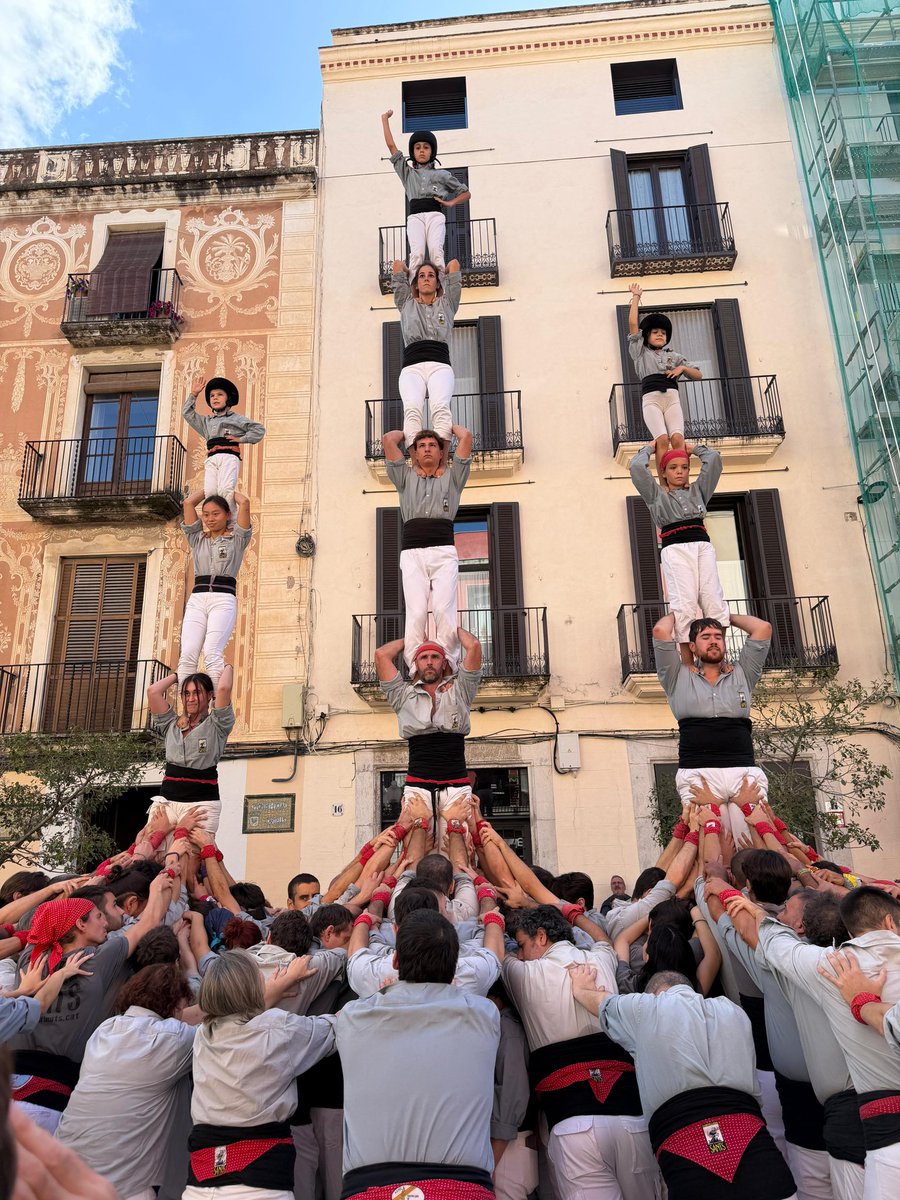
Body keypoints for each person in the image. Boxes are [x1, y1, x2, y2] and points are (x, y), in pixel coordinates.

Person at [573, 966, 797, 1200]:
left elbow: (600, 1002)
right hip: (757, 1148)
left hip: (686, 1158)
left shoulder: (646, 1009)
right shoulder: (733, 1011)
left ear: (654, 995)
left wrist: (581, 988)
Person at [337, 908, 500, 1200]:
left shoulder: (352, 1018)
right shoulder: (484, 1014)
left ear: (396, 961)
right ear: (453, 969)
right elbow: (493, 958)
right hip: (463, 1189)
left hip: (369, 1189)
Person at [501, 903, 659, 1200]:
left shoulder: (523, 974)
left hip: (573, 1125)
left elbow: (496, 954)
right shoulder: (601, 959)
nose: (519, 953)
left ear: (541, 936)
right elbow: (603, 939)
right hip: (633, 1119)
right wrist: (573, 913)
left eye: (522, 945)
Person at [10, 873, 175, 1133]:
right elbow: (151, 920)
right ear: (80, 924)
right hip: (48, 1103)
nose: (106, 924)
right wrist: (158, 886)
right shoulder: (99, 959)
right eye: (98, 917)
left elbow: (45, 918)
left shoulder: (30, 959)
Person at [184, 950, 337, 1200]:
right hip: (260, 1184)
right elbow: (333, 1030)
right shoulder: (278, 1029)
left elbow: (233, 1014)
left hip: (199, 1183)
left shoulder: (203, 1036)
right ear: (252, 987)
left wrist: (276, 990)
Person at [56, 963, 198, 1200]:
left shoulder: (104, 1030)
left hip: (64, 1170)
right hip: (121, 1185)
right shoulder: (173, 1039)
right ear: (175, 1004)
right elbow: (222, 1019)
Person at [654, 610, 774, 817]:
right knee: (709, 839)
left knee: (756, 838)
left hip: (743, 772)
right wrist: (682, 611)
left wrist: (723, 614)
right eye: (705, 637)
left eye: (718, 637)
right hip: (697, 774)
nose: (713, 641)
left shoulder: (743, 672)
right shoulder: (676, 676)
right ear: (692, 646)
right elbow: (660, 631)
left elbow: (762, 628)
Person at [631, 436, 729, 663]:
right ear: (663, 472)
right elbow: (637, 467)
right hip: (675, 548)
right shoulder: (656, 497)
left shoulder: (699, 491)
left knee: (713, 599)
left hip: (702, 546)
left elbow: (713, 459)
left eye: (684, 467)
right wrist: (650, 448)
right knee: (684, 603)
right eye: (673, 468)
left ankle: (720, 659)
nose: (680, 472)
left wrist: (692, 449)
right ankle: (687, 660)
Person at [384, 423, 472, 672]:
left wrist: (445, 429)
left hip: (443, 551)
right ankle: (414, 664)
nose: (427, 449)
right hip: (412, 553)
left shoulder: (453, 477)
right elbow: (389, 440)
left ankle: (450, 662)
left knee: (445, 609)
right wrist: (409, 434)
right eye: (421, 446)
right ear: (414, 452)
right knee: (416, 611)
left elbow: (466, 437)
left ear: (442, 451)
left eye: (433, 445)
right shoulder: (405, 477)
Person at [375, 629, 482, 833]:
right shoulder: (401, 695)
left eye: (435, 657)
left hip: (457, 782)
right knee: (417, 849)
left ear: (444, 662)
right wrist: (411, 639)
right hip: (417, 783)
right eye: (424, 657)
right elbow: (381, 655)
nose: (430, 661)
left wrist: (451, 630)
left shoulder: (461, 690)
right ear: (417, 663)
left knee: (460, 847)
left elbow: (474, 647)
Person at [381, 111, 471, 278]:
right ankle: (415, 293)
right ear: (413, 152)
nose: (421, 151)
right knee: (417, 255)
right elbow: (391, 146)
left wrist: (451, 203)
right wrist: (384, 120)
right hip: (415, 216)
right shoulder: (407, 173)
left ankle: (441, 290)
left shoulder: (442, 175)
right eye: (417, 147)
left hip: (435, 215)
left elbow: (466, 193)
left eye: (426, 147)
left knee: (437, 251)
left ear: (432, 151)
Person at [176, 488, 251, 686]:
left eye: (216, 514)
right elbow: (188, 504)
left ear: (228, 515)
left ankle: (218, 704)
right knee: (188, 655)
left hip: (222, 599)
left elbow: (244, 503)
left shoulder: (237, 540)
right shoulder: (197, 539)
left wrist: (226, 490)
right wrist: (207, 489)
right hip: (197, 599)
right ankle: (188, 709)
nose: (209, 519)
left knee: (211, 652)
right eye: (206, 514)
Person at [146, 667, 234, 835]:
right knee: (148, 847)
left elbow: (223, 688)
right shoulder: (170, 724)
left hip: (201, 803)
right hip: (167, 801)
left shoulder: (218, 725)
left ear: (209, 696)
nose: (191, 699)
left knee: (189, 854)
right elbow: (153, 692)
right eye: (187, 694)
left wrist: (226, 666)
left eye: (197, 693)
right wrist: (179, 676)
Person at [391, 256, 462, 453]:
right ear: (416, 282)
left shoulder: (448, 304)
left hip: (440, 364)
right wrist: (411, 270)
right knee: (412, 409)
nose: (426, 278)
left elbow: (454, 265)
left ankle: (442, 459)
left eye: (431, 275)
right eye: (421, 276)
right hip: (412, 367)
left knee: (440, 408)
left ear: (438, 282)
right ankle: (415, 459)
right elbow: (397, 266)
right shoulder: (406, 303)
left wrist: (440, 269)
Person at [627, 285, 703, 466]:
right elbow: (632, 325)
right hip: (651, 399)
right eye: (655, 332)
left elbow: (698, 375)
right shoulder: (640, 352)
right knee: (661, 440)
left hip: (672, 398)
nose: (660, 335)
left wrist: (682, 369)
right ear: (647, 336)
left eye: (663, 333)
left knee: (678, 439)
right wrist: (636, 297)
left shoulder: (675, 356)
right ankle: (664, 483)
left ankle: (681, 481)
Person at [182, 376, 265, 515]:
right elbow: (187, 413)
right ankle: (215, 521)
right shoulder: (206, 422)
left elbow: (259, 430)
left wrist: (241, 439)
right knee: (210, 492)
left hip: (228, 457)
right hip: (212, 458)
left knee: (226, 490)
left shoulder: (236, 419)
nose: (215, 398)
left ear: (228, 398)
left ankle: (231, 521)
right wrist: (194, 394)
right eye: (212, 395)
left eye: (220, 395)